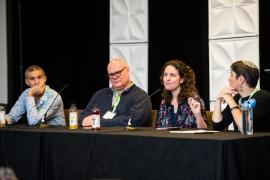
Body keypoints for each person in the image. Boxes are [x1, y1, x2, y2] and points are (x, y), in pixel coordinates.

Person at [80, 58, 152, 127]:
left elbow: (133, 120)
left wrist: (98, 122)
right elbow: (83, 117)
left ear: (127, 70)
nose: (114, 77)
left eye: (118, 73)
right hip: (97, 138)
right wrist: (84, 121)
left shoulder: (141, 97)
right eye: (111, 74)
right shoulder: (100, 94)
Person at [212, 60, 270, 131]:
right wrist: (218, 100)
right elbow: (218, 126)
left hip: (258, 142)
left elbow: (245, 126)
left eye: (231, 75)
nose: (228, 79)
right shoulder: (238, 98)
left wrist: (230, 99)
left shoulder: (263, 97)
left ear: (241, 79)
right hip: (241, 141)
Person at [156, 59, 207, 128]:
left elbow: (204, 131)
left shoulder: (193, 100)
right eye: (165, 75)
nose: (167, 78)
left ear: (181, 79)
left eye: (172, 75)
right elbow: (159, 128)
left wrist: (198, 115)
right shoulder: (164, 102)